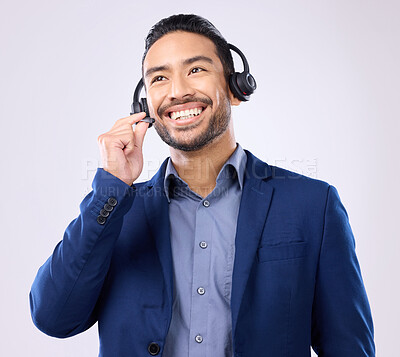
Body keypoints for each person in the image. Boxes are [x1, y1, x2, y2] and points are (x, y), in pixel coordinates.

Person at [30, 14, 375, 357]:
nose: (178, 91)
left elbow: (349, 348)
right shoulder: (116, 212)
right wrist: (112, 187)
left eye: (196, 70)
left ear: (236, 89)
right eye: (160, 78)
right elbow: (53, 318)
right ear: (144, 107)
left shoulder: (313, 205)